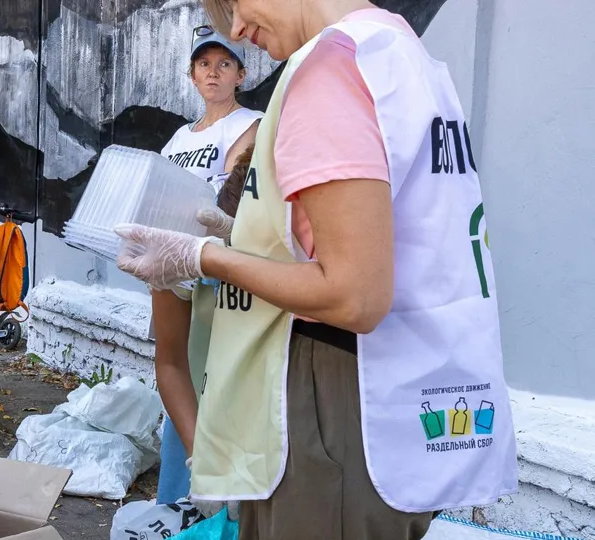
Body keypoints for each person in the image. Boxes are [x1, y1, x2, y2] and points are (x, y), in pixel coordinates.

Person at [117, 1, 518, 539]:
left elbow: (354, 295)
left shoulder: (327, 67)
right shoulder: (396, 50)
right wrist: (238, 237)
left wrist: (202, 257)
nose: (235, 29)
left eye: (234, 3)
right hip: (405, 396)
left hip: (333, 403)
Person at [152, 25, 261, 506]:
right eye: (203, 64)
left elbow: (233, 194)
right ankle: (187, 487)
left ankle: (225, 488)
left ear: (241, 73)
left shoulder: (251, 124)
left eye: (224, 64)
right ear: (191, 75)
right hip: (171, 263)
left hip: (220, 268)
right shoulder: (177, 137)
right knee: (175, 370)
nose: (213, 73)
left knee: (215, 379)